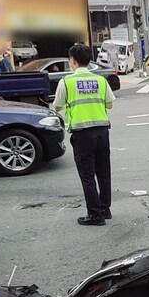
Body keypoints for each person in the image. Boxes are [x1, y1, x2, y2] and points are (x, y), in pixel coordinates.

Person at [53, 42, 115, 225]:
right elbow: (110, 103)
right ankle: (105, 209)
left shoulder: (66, 82)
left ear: (72, 61)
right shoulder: (101, 81)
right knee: (103, 172)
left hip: (82, 134)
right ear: (89, 61)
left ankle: (95, 215)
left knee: (87, 175)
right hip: (102, 131)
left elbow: (57, 106)